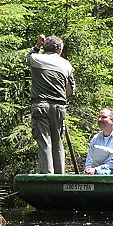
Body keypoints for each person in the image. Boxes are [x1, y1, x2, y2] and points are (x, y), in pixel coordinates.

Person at [26, 34, 75, 174]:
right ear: (59, 49)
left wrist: (37, 46)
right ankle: (60, 176)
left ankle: (47, 176)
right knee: (58, 144)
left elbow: (27, 58)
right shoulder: (66, 64)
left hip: (40, 106)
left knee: (44, 143)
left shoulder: (36, 58)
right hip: (59, 108)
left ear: (45, 47)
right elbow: (71, 88)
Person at [84, 108, 113, 175]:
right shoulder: (96, 138)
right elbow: (90, 158)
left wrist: (96, 170)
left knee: (100, 173)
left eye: (104, 117)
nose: (100, 120)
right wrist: (88, 169)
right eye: (99, 117)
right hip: (95, 170)